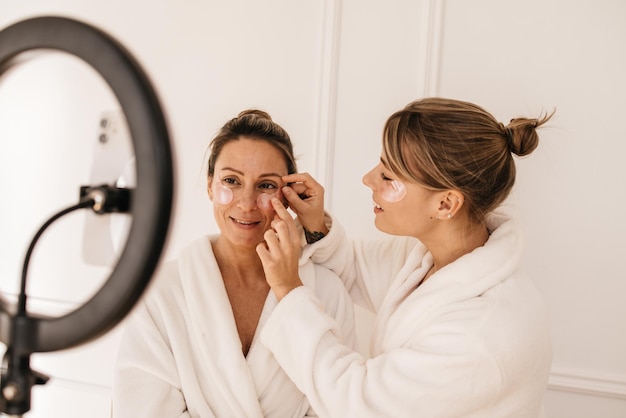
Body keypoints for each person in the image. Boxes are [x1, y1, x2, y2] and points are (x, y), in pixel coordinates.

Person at [256, 97, 554, 417]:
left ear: (445, 204)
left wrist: (287, 288)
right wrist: (315, 225)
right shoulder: (428, 255)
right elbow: (356, 268)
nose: (368, 179)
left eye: (389, 176)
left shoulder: (480, 333)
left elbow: (354, 401)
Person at [112, 109, 356, 418]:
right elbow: (139, 409)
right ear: (211, 185)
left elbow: (339, 407)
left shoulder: (326, 293)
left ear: (289, 193)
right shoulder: (162, 293)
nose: (246, 203)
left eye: (266, 185)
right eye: (232, 180)